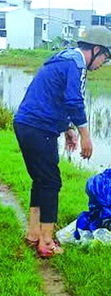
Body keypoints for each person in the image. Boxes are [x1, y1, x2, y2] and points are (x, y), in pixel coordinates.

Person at [13, 26, 111, 258]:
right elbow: (74, 101)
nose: (102, 65)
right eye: (105, 58)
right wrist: (85, 136)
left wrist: (67, 129)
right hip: (38, 127)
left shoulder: (64, 58)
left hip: (28, 125)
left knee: (42, 180)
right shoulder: (76, 64)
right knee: (50, 182)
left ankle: (33, 234)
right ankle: (47, 242)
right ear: (96, 50)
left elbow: (54, 97)